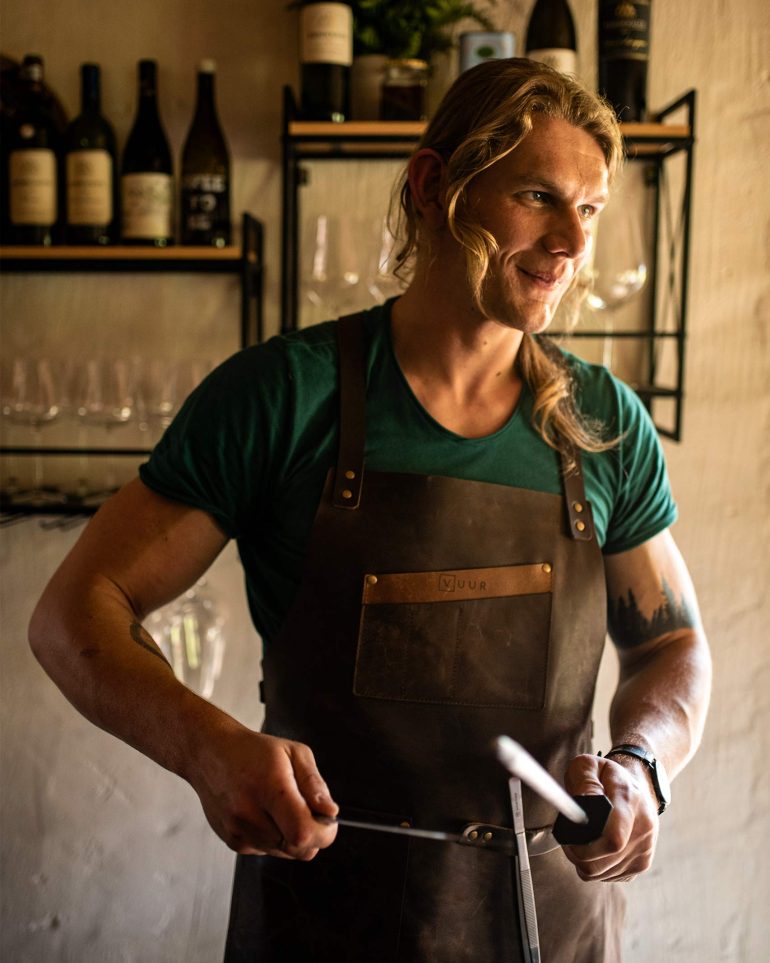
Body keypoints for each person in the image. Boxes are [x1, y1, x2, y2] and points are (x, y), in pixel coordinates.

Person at [29, 58, 711, 962]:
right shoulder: (284, 397)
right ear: (434, 186)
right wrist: (209, 748)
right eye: (538, 196)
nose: (571, 244)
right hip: (325, 922)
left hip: (549, 926)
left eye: (587, 210)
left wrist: (642, 766)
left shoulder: (601, 424)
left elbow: (673, 645)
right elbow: (75, 614)